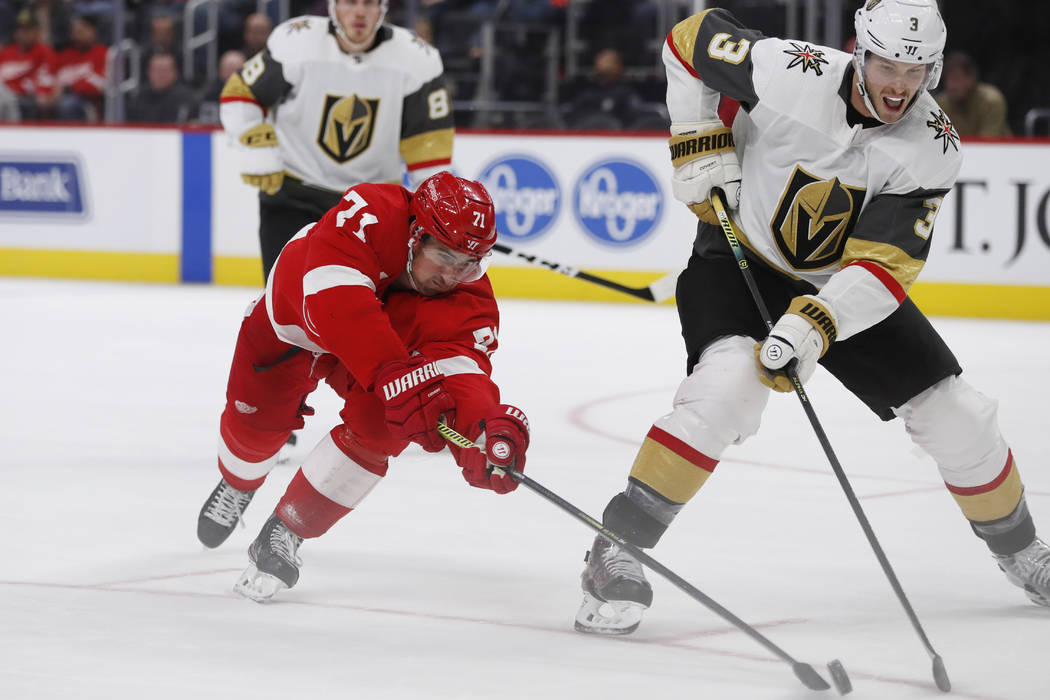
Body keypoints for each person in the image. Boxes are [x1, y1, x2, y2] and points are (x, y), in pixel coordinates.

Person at [573, 0, 1050, 636]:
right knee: (727, 392)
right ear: (861, 49)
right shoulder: (788, 70)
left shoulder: (933, 146)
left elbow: (884, 266)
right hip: (740, 256)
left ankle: (1022, 552)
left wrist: (815, 324)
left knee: (959, 415)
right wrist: (697, 140)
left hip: (843, 287)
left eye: (917, 69)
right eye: (887, 64)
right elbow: (689, 38)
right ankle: (617, 547)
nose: (899, 85)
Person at [195, 171, 531, 603]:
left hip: (374, 358)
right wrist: (394, 370)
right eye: (445, 256)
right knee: (255, 432)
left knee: (385, 424)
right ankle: (239, 482)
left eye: (469, 262)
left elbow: (463, 375)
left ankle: (286, 530)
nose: (454, 275)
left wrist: (482, 431)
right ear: (416, 234)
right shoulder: (372, 212)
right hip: (290, 330)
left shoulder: (468, 299)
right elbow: (332, 301)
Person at [220, 0, 455, 282]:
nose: (359, 12)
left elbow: (428, 143)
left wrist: (432, 212)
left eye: (369, 3)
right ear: (332, 6)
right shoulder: (297, 41)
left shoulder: (417, 60)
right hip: (294, 194)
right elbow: (241, 93)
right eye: (350, 2)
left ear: (382, 8)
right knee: (286, 303)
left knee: (360, 305)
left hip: (370, 207)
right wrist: (258, 149)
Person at [935, 50, 1011, 137]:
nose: (951, 85)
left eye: (957, 79)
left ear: (972, 78)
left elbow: (988, 142)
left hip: (997, 149)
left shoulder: (991, 101)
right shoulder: (941, 104)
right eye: (948, 80)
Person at [47, 14, 107, 121]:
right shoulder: (64, 55)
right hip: (60, 99)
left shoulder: (102, 53)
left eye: (82, 31)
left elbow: (100, 85)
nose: (77, 35)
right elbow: (50, 78)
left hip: (89, 102)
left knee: (67, 105)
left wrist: (70, 88)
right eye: (75, 31)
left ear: (93, 32)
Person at [0, 9, 54, 120]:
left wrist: (13, 89)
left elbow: (43, 87)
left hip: (24, 100)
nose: (22, 34)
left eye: (27, 30)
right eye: (19, 29)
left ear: (37, 31)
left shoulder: (44, 53)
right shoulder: (5, 52)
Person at [126, 52, 199, 124]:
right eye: (157, 70)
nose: (161, 75)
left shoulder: (187, 98)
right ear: (149, 72)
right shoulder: (140, 97)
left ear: (175, 72)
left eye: (165, 70)